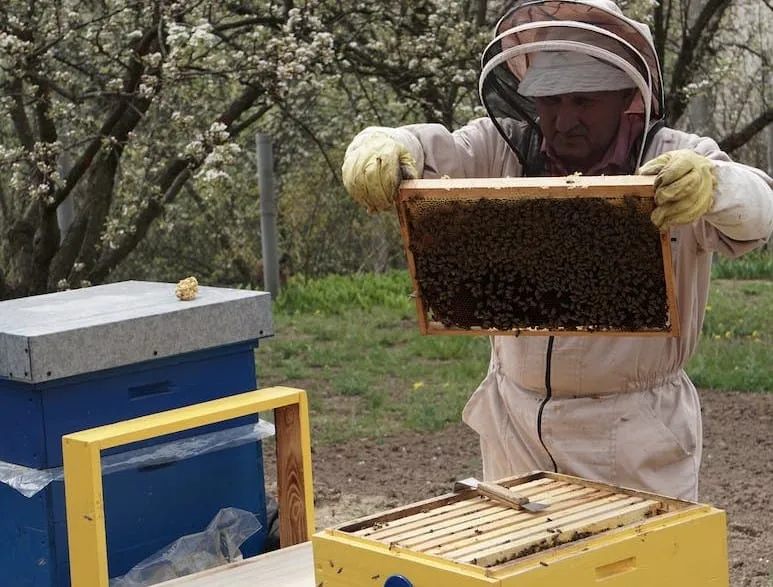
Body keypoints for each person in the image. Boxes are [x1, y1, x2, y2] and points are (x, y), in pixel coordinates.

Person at [340, 0, 773, 501]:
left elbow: (762, 209)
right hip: (515, 423)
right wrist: (382, 141)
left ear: (624, 97)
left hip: (631, 433)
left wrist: (716, 185)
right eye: (551, 100)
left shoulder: (674, 161)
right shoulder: (501, 151)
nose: (563, 121)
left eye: (584, 101)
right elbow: (430, 150)